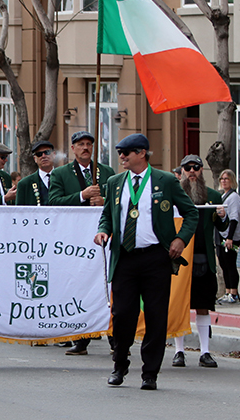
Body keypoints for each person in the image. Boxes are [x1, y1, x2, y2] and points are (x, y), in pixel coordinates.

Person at [94, 133, 198, 391]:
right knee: (122, 314)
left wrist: (180, 239)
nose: (121, 157)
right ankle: (119, 364)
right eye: (119, 152)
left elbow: (191, 213)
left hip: (155, 257)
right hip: (125, 257)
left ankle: (150, 372)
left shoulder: (165, 181)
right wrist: (103, 231)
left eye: (126, 152)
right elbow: (107, 215)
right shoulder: (115, 182)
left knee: (155, 315)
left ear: (142, 153)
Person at [47, 130, 115, 355]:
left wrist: (104, 200)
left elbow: (117, 200)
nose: (85, 148)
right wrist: (81, 196)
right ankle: (81, 338)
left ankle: (115, 339)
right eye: (81, 144)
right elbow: (53, 202)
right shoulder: (61, 174)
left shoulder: (107, 172)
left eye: (89, 144)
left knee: (106, 285)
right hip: (75, 238)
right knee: (80, 285)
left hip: (102, 235)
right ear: (73, 148)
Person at [171, 155, 228, 369]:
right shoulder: (173, 195)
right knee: (180, 305)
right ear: (182, 172)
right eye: (188, 168)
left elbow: (222, 228)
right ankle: (179, 351)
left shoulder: (213, 196)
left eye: (196, 167)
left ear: (202, 170)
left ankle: (205, 352)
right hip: (180, 258)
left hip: (204, 258)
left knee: (203, 306)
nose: (192, 171)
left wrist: (222, 216)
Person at [216, 169, 240, 305]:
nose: (224, 181)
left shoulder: (234, 198)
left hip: (231, 237)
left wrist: (230, 238)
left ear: (232, 180)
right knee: (224, 264)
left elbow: (234, 219)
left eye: (226, 179)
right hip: (222, 235)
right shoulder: (224, 196)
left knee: (230, 264)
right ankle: (227, 291)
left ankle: (234, 292)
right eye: (222, 179)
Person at [15, 140, 55, 206]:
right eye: (39, 154)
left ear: (54, 155)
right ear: (35, 159)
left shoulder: (64, 179)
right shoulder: (24, 184)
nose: (43, 156)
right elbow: (19, 210)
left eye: (47, 152)